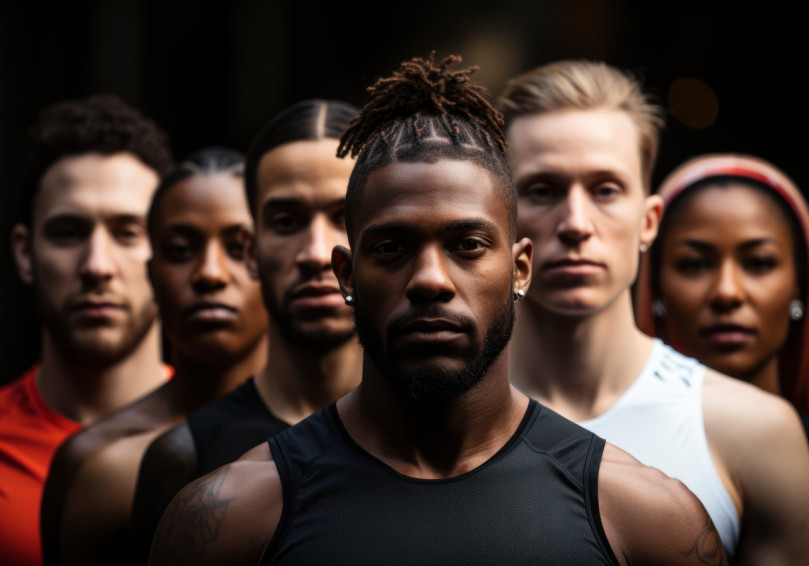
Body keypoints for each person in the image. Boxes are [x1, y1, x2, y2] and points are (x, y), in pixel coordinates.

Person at [149, 53, 726, 566]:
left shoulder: (645, 519)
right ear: (346, 274)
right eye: (392, 248)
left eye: (467, 245)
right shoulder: (233, 517)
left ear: (520, 269)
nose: (429, 280)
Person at [497, 60, 809, 563]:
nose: (577, 223)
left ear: (649, 222)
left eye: (606, 189)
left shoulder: (755, 433)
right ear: (501, 219)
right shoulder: (435, 419)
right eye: (543, 189)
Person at [132, 100, 363, 559]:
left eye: (343, 216)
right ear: (251, 249)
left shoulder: (449, 432)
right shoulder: (181, 460)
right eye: (286, 221)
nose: (318, 252)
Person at [39, 147, 268, 565]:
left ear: (269, 258)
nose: (210, 274)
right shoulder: (94, 463)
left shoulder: (345, 431)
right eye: (180, 250)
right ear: (151, 274)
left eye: (238, 249)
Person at [636, 153, 809, 565]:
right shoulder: (607, 456)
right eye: (694, 264)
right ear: (656, 284)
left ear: (798, 284)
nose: (727, 292)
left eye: (759, 263)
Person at [0, 94, 173, 566]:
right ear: (23, 252)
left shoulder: (244, 445)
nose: (97, 266)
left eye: (127, 232)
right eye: (68, 232)